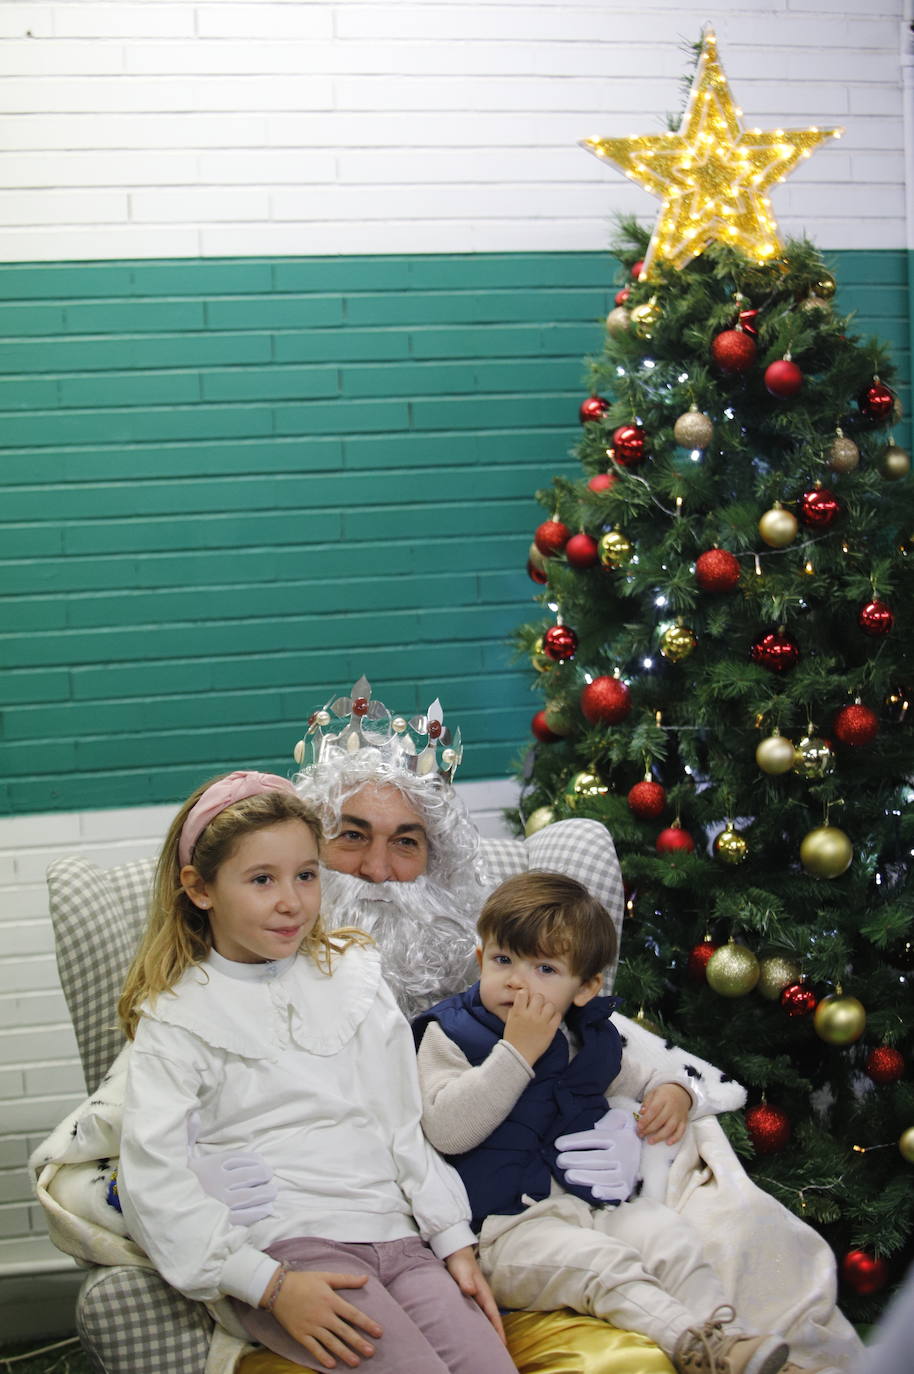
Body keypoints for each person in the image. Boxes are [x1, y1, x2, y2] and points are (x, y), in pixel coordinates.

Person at [32, 678, 865, 1374]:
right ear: (208, 886)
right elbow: (126, 1144)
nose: (374, 875)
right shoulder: (188, 1008)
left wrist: (632, 1122)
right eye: (350, 840)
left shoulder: (404, 968)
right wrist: (240, 1239)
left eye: (406, 846)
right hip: (308, 1246)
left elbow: (425, 1114)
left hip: (421, 1233)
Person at [115, 767, 516, 1374]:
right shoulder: (177, 1016)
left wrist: (451, 1239)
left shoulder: (352, 974)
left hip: (398, 1238)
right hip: (291, 1251)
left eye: (306, 875)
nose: (292, 901)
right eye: (261, 879)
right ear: (200, 888)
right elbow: (153, 1180)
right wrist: (269, 1285)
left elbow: (400, 1123)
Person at [413, 869, 804, 1374]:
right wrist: (515, 1053)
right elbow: (446, 1128)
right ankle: (696, 1348)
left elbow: (644, 1074)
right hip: (500, 1233)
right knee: (599, 1264)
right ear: (480, 959)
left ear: (586, 987)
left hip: (588, 1205)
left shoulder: (592, 1035)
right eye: (503, 960)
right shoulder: (450, 1033)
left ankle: (734, 1345)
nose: (516, 981)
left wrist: (675, 1091)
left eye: (545, 970)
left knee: (666, 1234)